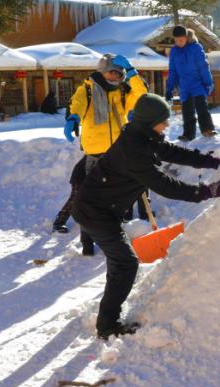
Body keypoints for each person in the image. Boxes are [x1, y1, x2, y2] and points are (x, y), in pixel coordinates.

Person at [72, 93, 220, 339]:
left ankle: (108, 316)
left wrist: (210, 162)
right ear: (150, 121)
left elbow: (172, 152)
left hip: (103, 208)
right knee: (126, 263)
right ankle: (108, 325)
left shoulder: (143, 136)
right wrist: (206, 192)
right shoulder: (133, 150)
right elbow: (165, 185)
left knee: (120, 263)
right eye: (163, 121)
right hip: (96, 212)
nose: (167, 125)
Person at [60, 54, 149, 255]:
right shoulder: (88, 90)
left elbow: (142, 94)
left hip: (118, 153)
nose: (115, 76)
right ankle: (87, 243)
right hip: (95, 153)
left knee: (117, 198)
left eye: (119, 73)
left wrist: (133, 72)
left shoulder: (123, 93)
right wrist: (73, 117)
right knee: (91, 200)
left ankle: (115, 238)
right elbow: (78, 104)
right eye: (111, 71)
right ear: (101, 71)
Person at [166, 25, 217, 141]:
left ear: (186, 37)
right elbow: (172, 71)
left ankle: (207, 129)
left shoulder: (196, 48)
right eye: (177, 40)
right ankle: (188, 135)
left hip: (197, 84)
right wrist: (169, 88)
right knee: (187, 112)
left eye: (181, 40)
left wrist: (208, 83)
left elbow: (203, 66)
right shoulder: (174, 52)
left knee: (201, 108)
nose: (179, 42)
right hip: (184, 87)